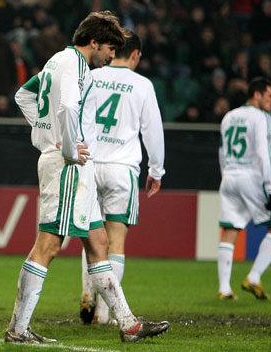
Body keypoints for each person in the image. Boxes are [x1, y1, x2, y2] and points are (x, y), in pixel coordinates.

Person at [7, 11, 169, 344]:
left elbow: (24, 95)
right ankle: (18, 329)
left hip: (80, 167)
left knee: (98, 244)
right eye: (110, 48)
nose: (111, 56)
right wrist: (65, 146)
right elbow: (67, 107)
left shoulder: (57, 61)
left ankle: (128, 324)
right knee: (48, 246)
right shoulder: (75, 66)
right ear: (94, 42)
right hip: (68, 167)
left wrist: (44, 131)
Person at [79, 31, 165, 326]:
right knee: (115, 240)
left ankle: (87, 292)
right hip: (121, 167)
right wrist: (157, 170)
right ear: (136, 55)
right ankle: (105, 313)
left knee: (91, 235)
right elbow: (152, 131)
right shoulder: (142, 84)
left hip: (88, 164)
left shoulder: (91, 76)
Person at [217, 77, 271, 300]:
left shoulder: (229, 116)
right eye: (270, 95)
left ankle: (224, 288)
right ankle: (253, 277)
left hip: (228, 176)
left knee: (230, 230)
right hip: (252, 177)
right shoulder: (262, 118)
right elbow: (263, 154)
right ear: (257, 95)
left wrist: (226, 175)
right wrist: (270, 187)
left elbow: (221, 152)